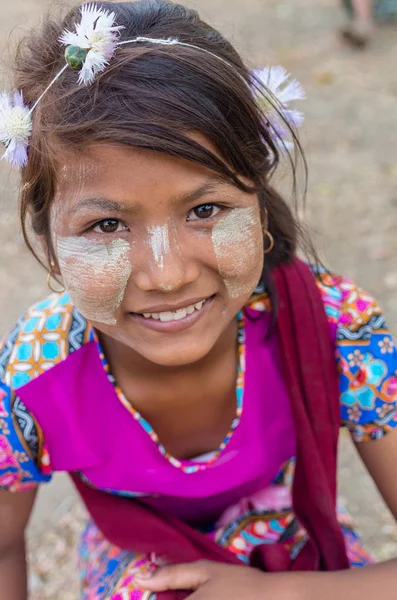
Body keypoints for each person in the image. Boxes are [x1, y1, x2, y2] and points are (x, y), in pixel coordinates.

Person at [0, 1, 396, 598]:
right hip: (138, 562)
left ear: (259, 209)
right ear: (50, 247)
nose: (165, 276)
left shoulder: (340, 330)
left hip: (302, 550)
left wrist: (276, 595)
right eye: (106, 225)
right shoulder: (32, 378)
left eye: (205, 211)